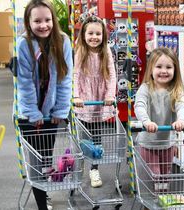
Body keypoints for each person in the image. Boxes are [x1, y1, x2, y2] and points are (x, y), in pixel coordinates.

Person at [16, 0, 73, 209]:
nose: (43, 25)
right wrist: (32, 113)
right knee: (35, 161)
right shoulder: (23, 44)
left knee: (46, 157)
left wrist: (60, 109)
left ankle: (44, 192)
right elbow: (25, 83)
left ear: (53, 20)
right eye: (37, 20)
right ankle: (41, 203)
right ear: (28, 22)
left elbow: (65, 80)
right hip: (29, 115)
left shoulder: (63, 41)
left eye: (47, 20)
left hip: (51, 113)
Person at [134, 47, 184, 191]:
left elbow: (182, 106)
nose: (164, 71)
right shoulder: (145, 89)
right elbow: (139, 106)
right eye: (159, 67)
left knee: (166, 174)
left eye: (169, 67)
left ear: (175, 70)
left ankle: (162, 196)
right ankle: (153, 198)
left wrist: (181, 120)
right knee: (155, 174)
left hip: (168, 142)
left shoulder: (177, 90)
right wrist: (146, 122)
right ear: (151, 69)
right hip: (148, 142)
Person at [73, 15, 116, 188]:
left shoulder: (106, 51)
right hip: (85, 99)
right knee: (84, 136)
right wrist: (76, 96)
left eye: (98, 34)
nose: (94, 37)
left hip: (99, 99)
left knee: (97, 135)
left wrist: (110, 95)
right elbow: (75, 76)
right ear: (83, 34)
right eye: (90, 33)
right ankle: (81, 165)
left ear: (103, 35)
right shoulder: (80, 51)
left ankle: (94, 168)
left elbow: (112, 75)